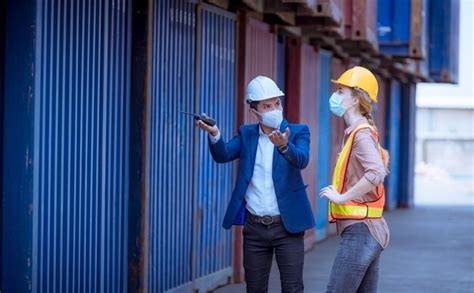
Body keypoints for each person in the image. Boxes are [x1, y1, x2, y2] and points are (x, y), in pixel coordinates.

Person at [196, 76, 314, 293]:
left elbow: (302, 160)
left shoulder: (298, 131)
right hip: (255, 228)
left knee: (293, 288)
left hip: (287, 226)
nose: (274, 109)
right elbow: (223, 155)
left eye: (276, 103)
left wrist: (284, 146)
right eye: (266, 106)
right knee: (255, 289)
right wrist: (214, 134)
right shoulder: (246, 134)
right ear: (255, 111)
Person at [320, 66, 390, 293]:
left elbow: (376, 173)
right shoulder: (358, 131)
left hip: (361, 231)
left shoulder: (360, 134)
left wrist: (342, 198)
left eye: (341, 91)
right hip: (369, 230)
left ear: (355, 100)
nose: (335, 96)